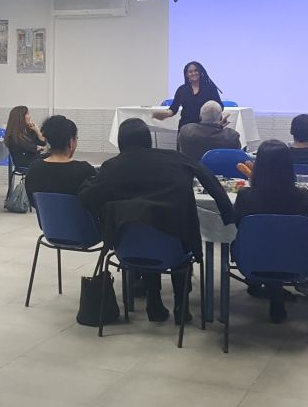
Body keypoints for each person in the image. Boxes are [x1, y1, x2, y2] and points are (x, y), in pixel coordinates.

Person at [79, 118, 234, 324]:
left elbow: (87, 196)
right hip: (174, 245)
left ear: (120, 142)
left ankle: (154, 301)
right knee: (168, 231)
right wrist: (228, 215)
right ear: (149, 140)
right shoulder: (176, 158)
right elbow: (211, 181)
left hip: (129, 248)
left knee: (143, 226)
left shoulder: (112, 166)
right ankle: (181, 306)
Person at [234, 141, 308, 323]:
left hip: (251, 257)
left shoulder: (245, 196)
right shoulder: (304, 196)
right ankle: (274, 293)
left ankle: (263, 287)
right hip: (295, 259)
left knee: (262, 245)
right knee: (281, 246)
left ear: (258, 166)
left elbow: (239, 226)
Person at [24, 115, 96, 202]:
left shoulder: (34, 169)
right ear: (71, 142)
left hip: (46, 211)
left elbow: (33, 200)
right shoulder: (85, 171)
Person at [153, 61, 222, 128]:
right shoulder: (181, 89)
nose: (193, 73)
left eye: (196, 70)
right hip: (186, 128)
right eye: (190, 72)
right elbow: (174, 109)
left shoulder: (210, 88)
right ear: (187, 74)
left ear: (200, 72)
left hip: (206, 128)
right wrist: (165, 114)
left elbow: (220, 106)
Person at [177, 100, 241, 161]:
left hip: (191, 168)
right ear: (220, 117)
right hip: (221, 168)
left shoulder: (186, 131)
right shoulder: (232, 136)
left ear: (200, 116)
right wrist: (218, 126)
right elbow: (237, 156)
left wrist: (217, 126)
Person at [4, 105, 47, 171]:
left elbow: (43, 142)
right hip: (24, 162)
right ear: (21, 117)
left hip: (33, 158)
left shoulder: (28, 130)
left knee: (54, 157)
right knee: (52, 159)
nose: (30, 116)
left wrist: (37, 130)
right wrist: (38, 147)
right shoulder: (13, 135)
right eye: (27, 114)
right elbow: (29, 147)